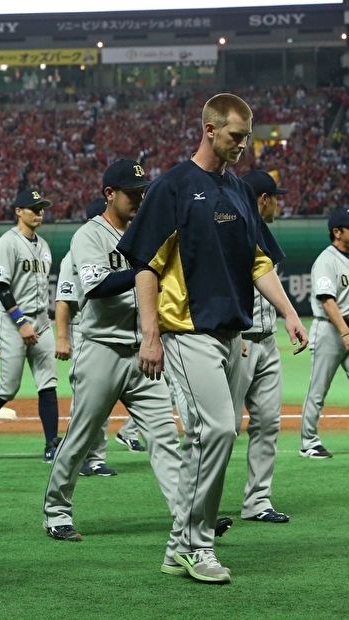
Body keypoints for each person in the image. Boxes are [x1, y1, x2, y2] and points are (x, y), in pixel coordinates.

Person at [117, 93, 306, 584]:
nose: (243, 145)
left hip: (232, 332)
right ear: (209, 130)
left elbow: (260, 263)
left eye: (246, 137)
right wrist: (150, 334)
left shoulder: (241, 190)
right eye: (235, 136)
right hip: (186, 331)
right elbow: (145, 267)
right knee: (217, 429)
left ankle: (179, 545)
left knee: (213, 437)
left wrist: (289, 313)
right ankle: (198, 546)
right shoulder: (173, 186)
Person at [43, 159, 183, 541]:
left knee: (165, 437)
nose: (140, 198)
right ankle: (56, 511)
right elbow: (97, 287)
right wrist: (143, 272)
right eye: (132, 193)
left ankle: (186, 516)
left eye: (143, 191)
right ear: (109, 194)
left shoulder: (150, 233)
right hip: (102, 348)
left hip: (144, 351)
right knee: (82, 436)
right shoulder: (90, 235)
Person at [0, 188, 59, 462]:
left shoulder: (43, 246)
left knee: (48, 383)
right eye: (33, 208)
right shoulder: (7, 243)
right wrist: (20, 322)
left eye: (41, 208)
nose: (39, 212)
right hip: (13, 323)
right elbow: (1, 285)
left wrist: (39, 322)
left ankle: (51, 444)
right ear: (18, 211)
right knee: (9, 387)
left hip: (42, 322)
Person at [229, 170, 292, 522]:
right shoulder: (231, 230)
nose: (279, 204)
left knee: (268, 422)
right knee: (223, 426)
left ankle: (258, 502)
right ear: (263, 200)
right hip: (238, 341)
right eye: (276, 198)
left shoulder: (263, 232)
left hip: (266, 340)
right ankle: (199, 503)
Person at [53, 197, 116, 477]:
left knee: (101, 397)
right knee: (86, 398)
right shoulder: (74, 254)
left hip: (113, 330)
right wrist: (62, 337)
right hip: (84, 330)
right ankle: (79, 455)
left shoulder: (118, 248)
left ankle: (96, 457)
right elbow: (64, 299)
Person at [299, 204, 349, 459]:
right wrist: (345, 332)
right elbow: (327, 300)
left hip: (345, 329)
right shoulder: (326, 260)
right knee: (318, 389)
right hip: (330, 329)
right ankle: (308, 442)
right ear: (337, 232)